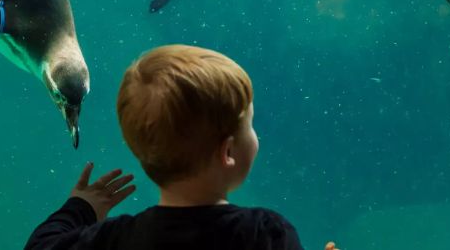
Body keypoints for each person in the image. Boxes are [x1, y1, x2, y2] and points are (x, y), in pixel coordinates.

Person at [25, 45, 312, 249]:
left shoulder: (115, 239)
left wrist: (81, 209)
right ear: (228, 152)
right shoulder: (266, 234)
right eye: (249, 124)